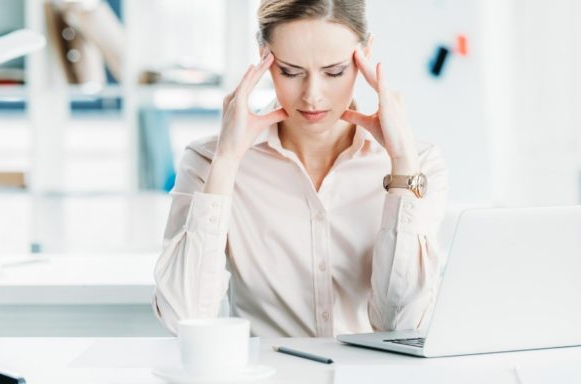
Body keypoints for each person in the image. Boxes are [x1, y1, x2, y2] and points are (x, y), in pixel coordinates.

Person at [153, 0, 448, 337]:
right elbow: (184, 318)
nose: (312, 96)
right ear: (264, 56)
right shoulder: (209, 161)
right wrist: (227, 161)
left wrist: (402, 164)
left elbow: (403, 326)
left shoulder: (420, 164)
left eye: (334, 71)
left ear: (365, 54)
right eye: (290, 72)